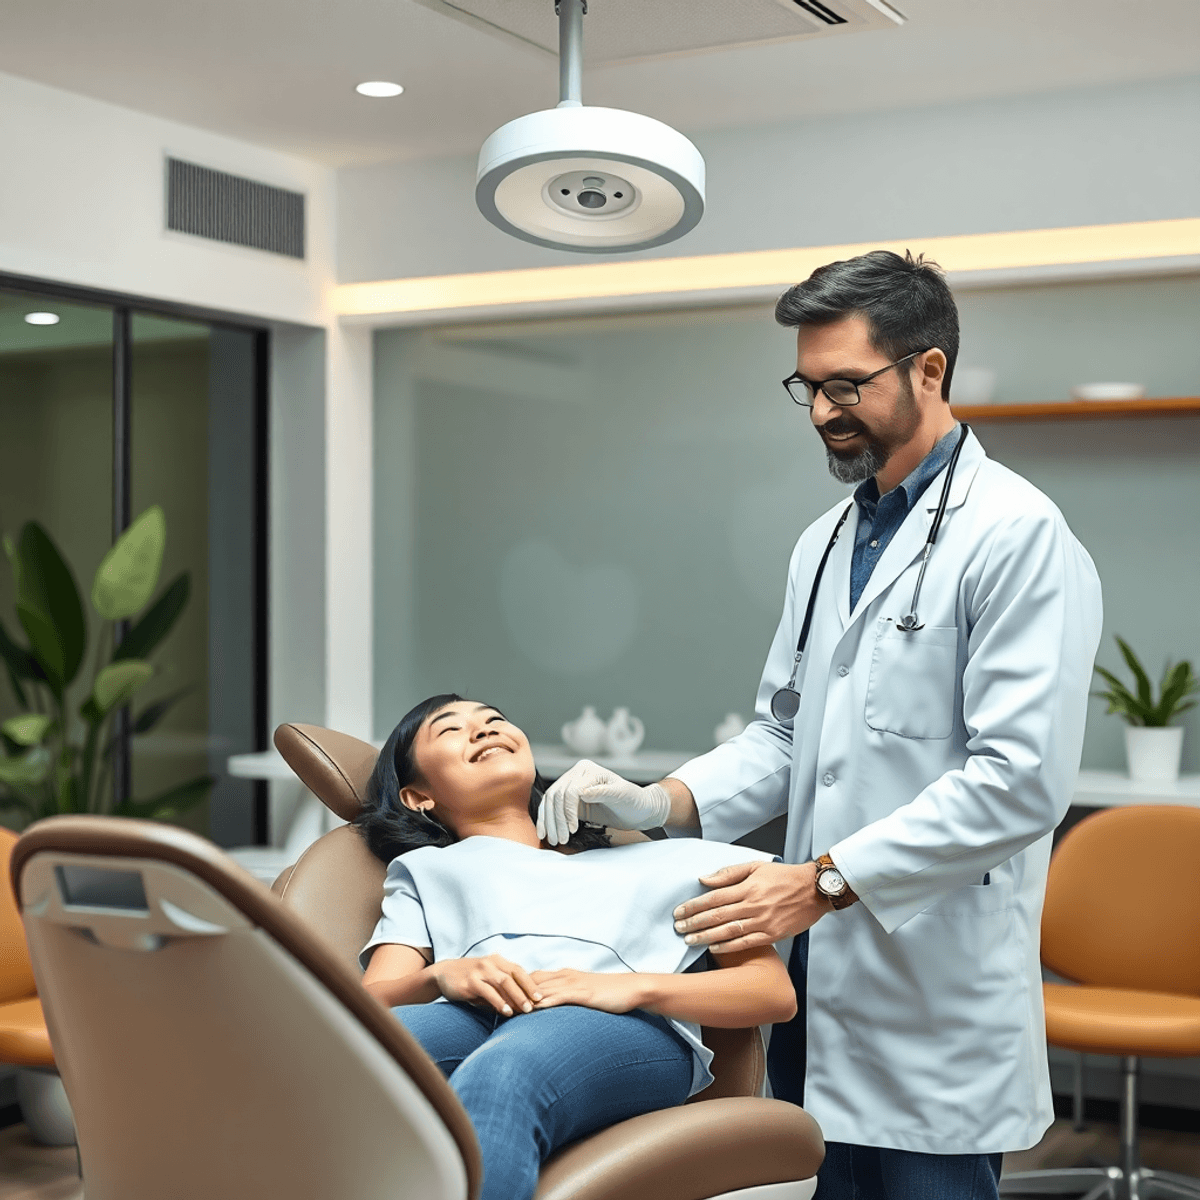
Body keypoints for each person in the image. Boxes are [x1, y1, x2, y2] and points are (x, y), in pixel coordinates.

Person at [537, 250, 1104, 1199]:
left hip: (931, 987)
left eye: (847, 385)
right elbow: (784, 734)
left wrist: (823, 882)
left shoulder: (1017, 533)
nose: (822, 412)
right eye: (808, 387)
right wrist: (659, 799)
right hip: (815, 986)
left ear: (929, 370)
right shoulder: (827, 540)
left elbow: (1019, 781)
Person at [356, 693, 797, 1200]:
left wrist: (629, 989)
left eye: (494, 719)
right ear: (418, 796)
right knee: (349, 1062)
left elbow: (771, 992)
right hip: (472, 1014)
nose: (484, 729)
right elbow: (366, 1006)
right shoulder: (426, 870)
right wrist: (439, 976)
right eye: (450, 729)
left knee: (505, 1072)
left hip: (621, 1027)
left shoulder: (667, 863)